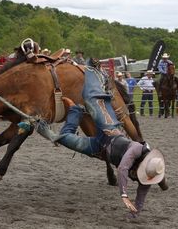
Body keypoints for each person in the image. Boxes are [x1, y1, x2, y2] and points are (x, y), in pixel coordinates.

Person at [35, 64, 166, 217]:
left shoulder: (146, 178)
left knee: (65, 139)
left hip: (99, 149)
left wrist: (134, 213)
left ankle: (66, 114)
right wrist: (124, 194)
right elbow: (123, 168)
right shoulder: (137, 149)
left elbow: (140, 198)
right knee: (93, 99)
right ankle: (94, 72)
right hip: (108, 130)